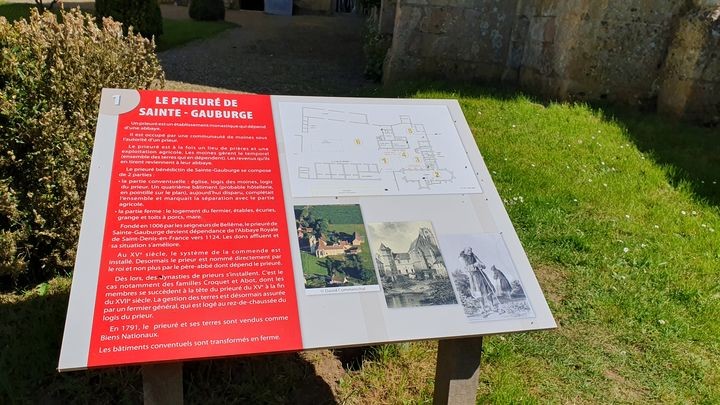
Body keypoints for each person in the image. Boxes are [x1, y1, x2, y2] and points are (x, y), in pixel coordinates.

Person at [458, 247, 499, 311]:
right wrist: (474, 265)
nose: (470, 251)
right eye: (468, 250)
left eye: (471, 250)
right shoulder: (461, 258)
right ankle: (483, 308)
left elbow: (482, 264)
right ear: (464, 251)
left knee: (487, 290)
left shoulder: (473, 255)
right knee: (478, 292)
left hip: (481, 274)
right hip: (473, 276)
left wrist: (481, 265)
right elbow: (465, 269)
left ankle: (492, 306)